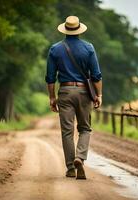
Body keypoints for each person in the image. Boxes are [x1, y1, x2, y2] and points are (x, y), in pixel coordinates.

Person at [45, 16, 102, 179]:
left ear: (65, 29)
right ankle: (80, 158)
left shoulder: (55, 49)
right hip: (84, 93)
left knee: (67, 132)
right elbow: (96, 75)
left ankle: (70, 167)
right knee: (85, 128)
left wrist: (52, 97)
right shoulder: (89, 48)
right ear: (78, 30)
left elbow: (50, 77)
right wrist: (99, 95)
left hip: (65, 91)